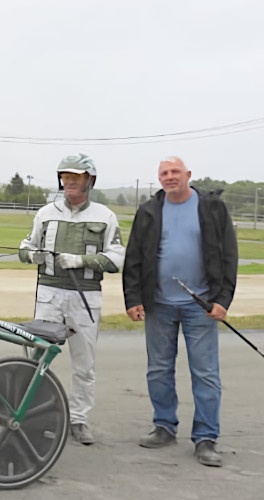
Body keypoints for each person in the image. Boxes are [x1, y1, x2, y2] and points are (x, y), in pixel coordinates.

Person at [123, 157, 237, 467]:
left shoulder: (212, 208)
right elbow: (133, 258)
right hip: (158, 304)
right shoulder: (148, 211)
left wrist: (223, 298)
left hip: (200, 304)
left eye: (175, 172)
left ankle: (206, 438)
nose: (170, 177)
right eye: (164, 173)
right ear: (159, 179)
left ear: (188, 175)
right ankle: (164, 426)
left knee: (206, 373)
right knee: (158, 369)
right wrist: (133, 298)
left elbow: (228, 254)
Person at [19, 153, 124, 445]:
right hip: (49, 294)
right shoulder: (45, 213)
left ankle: (79, 419)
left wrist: (81, 261)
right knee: (36, 356)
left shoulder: (105, 217)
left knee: (84, 363)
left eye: (76, 178)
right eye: (66, 178)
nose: (70, 184)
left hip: (85, 298)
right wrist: (33, 255)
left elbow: (116, 259)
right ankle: (30, 413)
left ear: (89, 181)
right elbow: (25, 247)